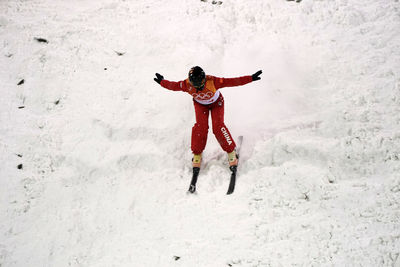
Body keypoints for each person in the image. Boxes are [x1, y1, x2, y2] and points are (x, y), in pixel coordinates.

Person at [154, 66, 262, 170]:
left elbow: (233, 81)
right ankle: (197, 153)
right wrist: (162, 81)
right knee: (200, 127)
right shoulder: (186, 84)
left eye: (200, 84)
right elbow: (173, 86)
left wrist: (251, 78)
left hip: (217, 104)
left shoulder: (213, 81)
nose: (198, 87)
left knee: (218, 127)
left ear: (204, 79)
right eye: (195, 85)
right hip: (200, 105)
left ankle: (231, 151)